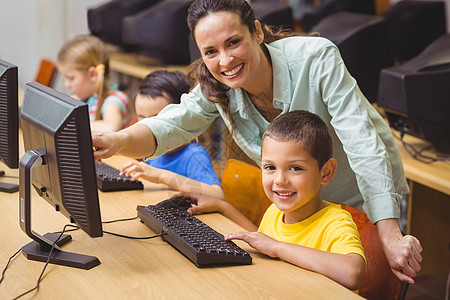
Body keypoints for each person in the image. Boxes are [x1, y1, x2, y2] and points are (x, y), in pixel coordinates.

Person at [91, 0, 422, 283]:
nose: (225, 61)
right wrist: (116, 139)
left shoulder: (315, 58)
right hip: (304, 211)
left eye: (233, 42)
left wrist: (391, 234)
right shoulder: (217, 88)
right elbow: (168, 126)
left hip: (365, 199)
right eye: (211, 51)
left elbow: (363, 143)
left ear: (258, 32)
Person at [181, 110, 366, 291]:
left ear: (325, 172)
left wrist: (277, 247)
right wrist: (222, 207)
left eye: (295, 168)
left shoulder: (336, 222)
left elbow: (352, 273)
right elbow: (262, 240)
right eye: (270, 167)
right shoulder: (276, 211)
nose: (279, 180)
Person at [120, 70, 224, 200]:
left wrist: (162, 176)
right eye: (141, 119)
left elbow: (217, 195)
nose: (148, 128)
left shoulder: (194, 155)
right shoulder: (153, 151)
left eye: (156, 121)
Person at [57, 34, 129, 132]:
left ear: (92, 75)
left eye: (71, 78)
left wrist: (72, 124)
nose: (67, 84)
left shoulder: (112, 101)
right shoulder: (84, 98)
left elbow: (111, 127)